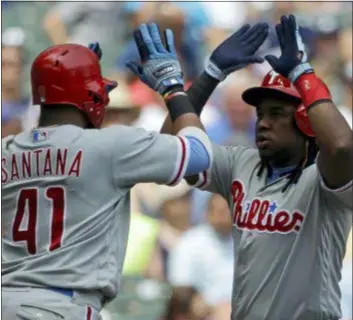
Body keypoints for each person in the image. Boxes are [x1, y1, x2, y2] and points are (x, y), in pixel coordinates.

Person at [1, 23, 214, 319]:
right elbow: (200, 154)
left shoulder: (7, 149)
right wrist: (173, 88)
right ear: (91, 97)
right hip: (63, 307)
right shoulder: (109, 146)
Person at [161, 15, 352, 320]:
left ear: (305, 119)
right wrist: (210, 75)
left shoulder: (325, 177)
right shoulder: (241, 162)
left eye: (277, 113)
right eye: (261, 113)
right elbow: (170, 152)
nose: (263, 122)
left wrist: (303, 74)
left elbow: (342, 144)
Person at [167, 193, 233, 320]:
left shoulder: (247, 242)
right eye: (217, 211)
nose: (221, 215)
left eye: (226, 210)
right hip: (204, 312)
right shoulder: (190, 242)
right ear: (208, 212)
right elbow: (181, 289)